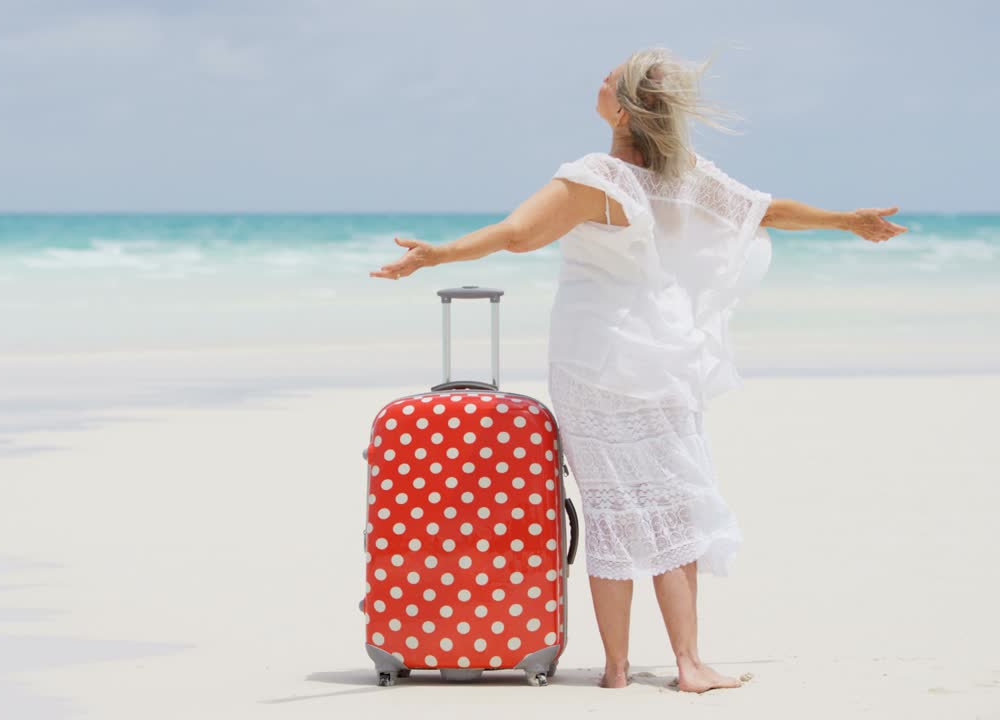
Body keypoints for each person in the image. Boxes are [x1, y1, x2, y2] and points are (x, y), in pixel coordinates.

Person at [368, 46, 906, 693]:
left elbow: (517, 234)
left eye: (606, 77)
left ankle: (619, 671)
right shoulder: (682, 174)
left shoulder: (598, 177)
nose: (595, 79)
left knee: (612, 509)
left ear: (623, 111)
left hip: (594, 360)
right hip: (666, 356)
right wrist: (846, 221)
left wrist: (438, 256)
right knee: (674, 505)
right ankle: (688, 663)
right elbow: (766, 212)